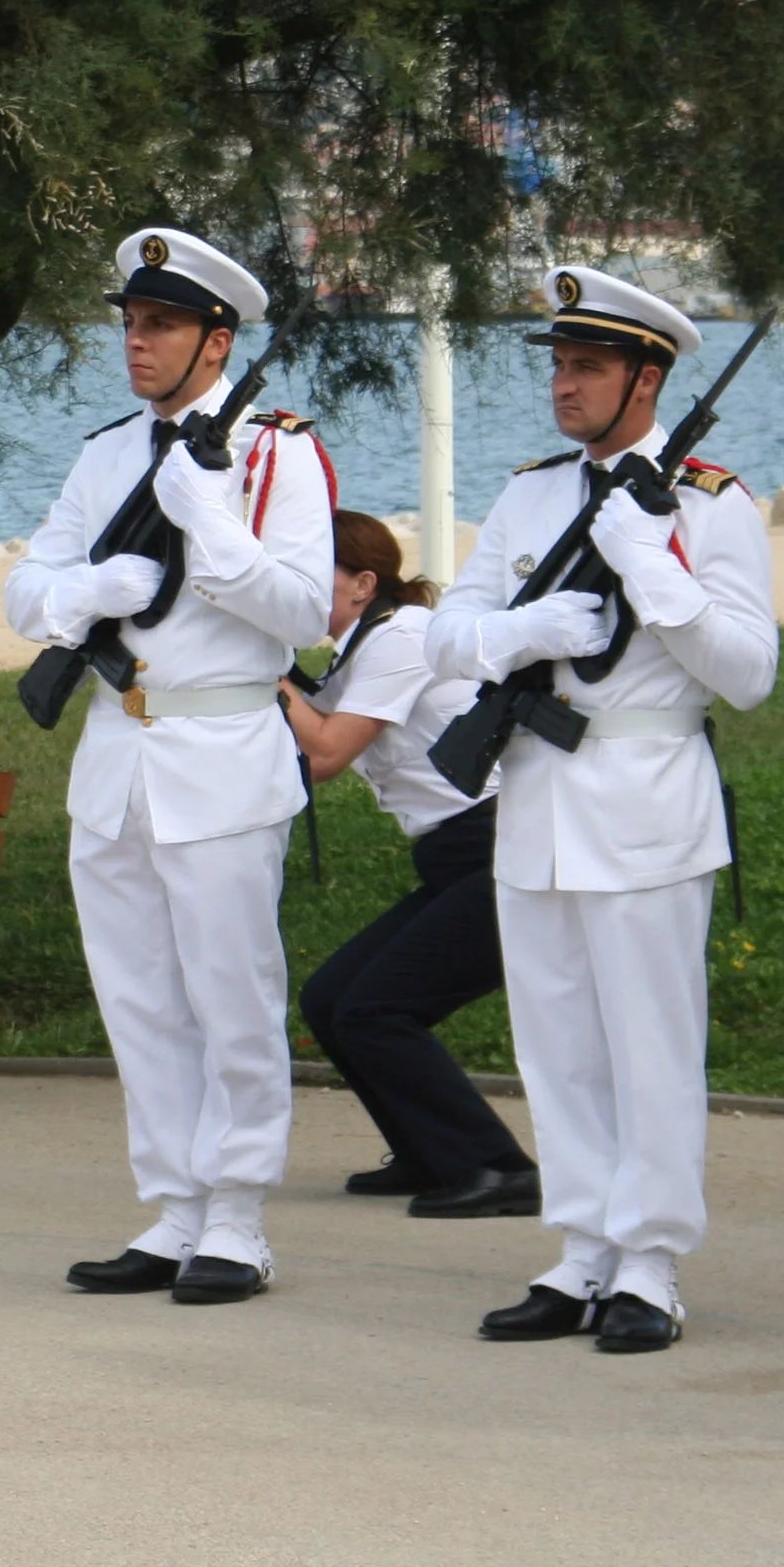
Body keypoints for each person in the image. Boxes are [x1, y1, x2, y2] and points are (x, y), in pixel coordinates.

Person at [423, 266, 776, 1354]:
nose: (564, 386)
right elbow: (446, 635)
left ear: (647, 379)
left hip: (645, 801)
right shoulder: (532, 494)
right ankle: (581, 1251)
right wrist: (520, 635)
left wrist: (652, 572)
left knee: (650, 1047)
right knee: (558, 1045)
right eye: (561, 366)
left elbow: (749, 673)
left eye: (587, 367)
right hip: (537, 797)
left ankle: (651, 1266)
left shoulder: (711, 504)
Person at [2, 227, 330, 1306]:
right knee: (139, 998)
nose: (136, 343)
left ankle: (236, 1217)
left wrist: (213, 529)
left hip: (223, 751)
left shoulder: (276, 454)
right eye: (132, 323)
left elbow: (304, 614)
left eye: (161, 326)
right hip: (117, 752)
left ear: (217, 341)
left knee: (232, 995)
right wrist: (84, 596)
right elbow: (25, 589)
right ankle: (174, 1207)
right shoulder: (106, 454)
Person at [285, 510, 538, 1219]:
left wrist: (269, 678)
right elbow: (307, 717)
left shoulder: (401, 638)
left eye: (311, 577)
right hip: (457, 855)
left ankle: (496, 1169)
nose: (296, 591)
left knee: (377, 1009)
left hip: (500, 847)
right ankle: (430, 1154)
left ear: (364, 584)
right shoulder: (359, 649)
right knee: (331, 1001)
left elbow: (325, 751)